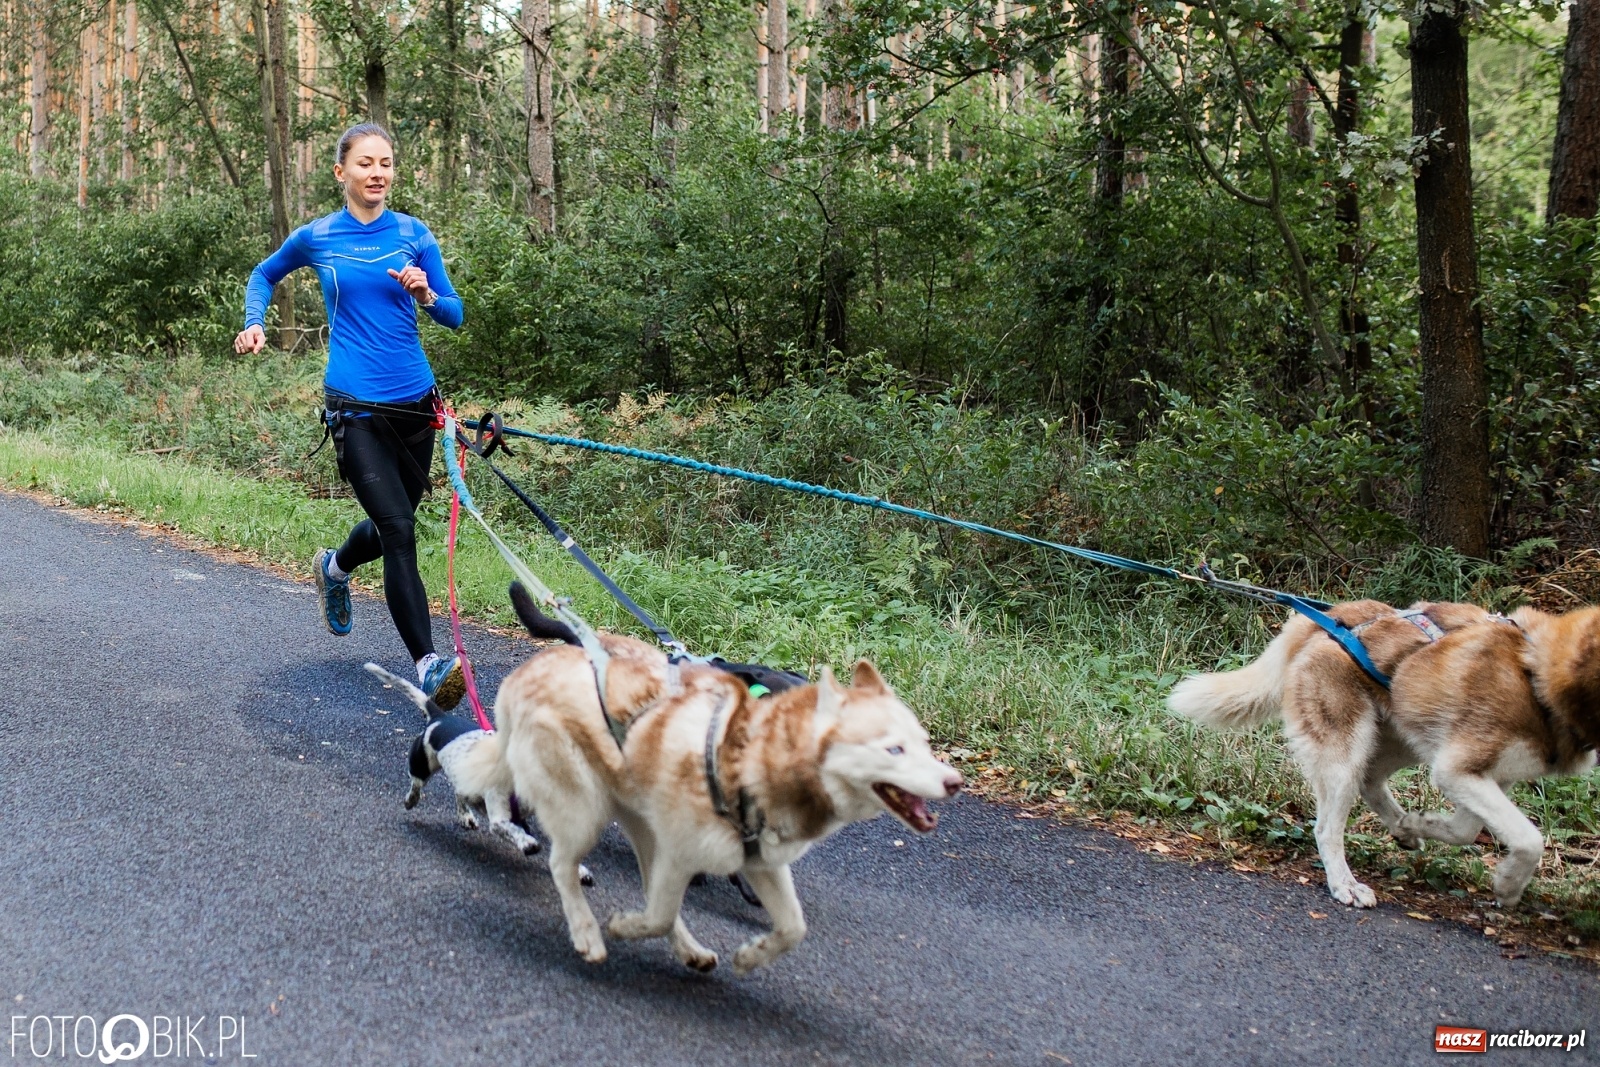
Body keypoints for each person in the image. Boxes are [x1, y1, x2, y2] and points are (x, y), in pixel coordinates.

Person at [235, 122, 467, 708]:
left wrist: (427, 296)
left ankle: (334, 568)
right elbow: (264, 273)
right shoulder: (319, 236)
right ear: (341, 172)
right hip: (354, 411)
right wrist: (254, 320)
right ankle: (430, 664)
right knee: (399, 530)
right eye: (365, 163)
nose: (378, 173)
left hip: (417, 405)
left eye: (386, 162)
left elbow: (456, 314)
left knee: (398, 523)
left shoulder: (415, 235)